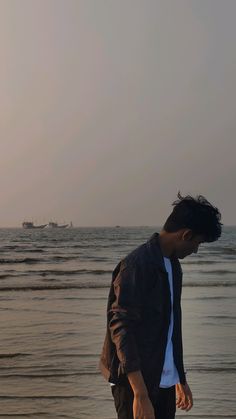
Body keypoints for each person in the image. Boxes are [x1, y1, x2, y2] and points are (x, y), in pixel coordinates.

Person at [99, 192, 222, 419]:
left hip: (163, 379)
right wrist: (140, 394)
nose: (196, 250)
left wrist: (178, 377)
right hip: (134, 384)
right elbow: (120, 327)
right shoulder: (137, 266)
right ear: (186, 234)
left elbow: (171, 325)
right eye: (198, 242)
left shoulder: (173, 266)